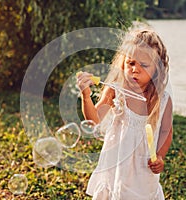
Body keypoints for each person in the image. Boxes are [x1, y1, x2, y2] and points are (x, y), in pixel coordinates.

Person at [76, 22, 173, 200]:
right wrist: (86, 96)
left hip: (143, 165)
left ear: (157, 69)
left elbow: (167, 130)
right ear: (122, 63)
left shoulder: (162, 99)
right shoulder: (116, 90)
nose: (135, 69)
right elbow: (94, 119)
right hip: (117, 161)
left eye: (144, 65)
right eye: (131, 63)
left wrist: (159, 156)